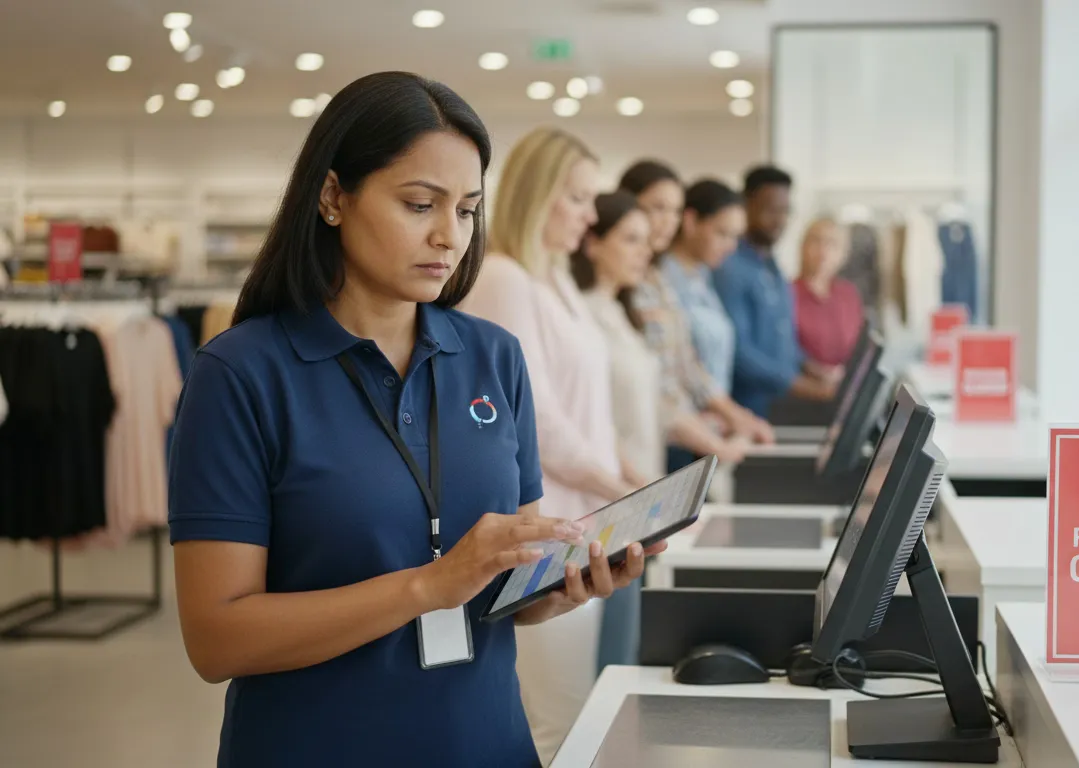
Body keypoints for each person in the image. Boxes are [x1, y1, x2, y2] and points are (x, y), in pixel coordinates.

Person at [167, 72, 662, 768]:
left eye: (466, 210)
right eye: (419, 204)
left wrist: (559, 588)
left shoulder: (494, 357)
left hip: (486, 743)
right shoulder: (242, 374)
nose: (448, 236)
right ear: (334, 196)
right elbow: (216, 638)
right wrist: (427, 585)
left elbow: (502, 589)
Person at [456, 126, 636, 765]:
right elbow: (538, 424)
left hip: (581, 517)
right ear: (540, 194)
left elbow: (587, 407)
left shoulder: (553, 278)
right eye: (579, 198)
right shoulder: (505, 278)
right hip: (551, 520)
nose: (591, 216)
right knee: (556, 720)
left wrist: (625, 479)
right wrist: (625, 491)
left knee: (572, 707)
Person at [619, 161, 772, 464]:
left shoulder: (658, 279)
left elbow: (686, 363)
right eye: (657, 208)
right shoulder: (633, 284)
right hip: (658, 437)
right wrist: (715, 440)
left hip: (681, 433)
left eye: (674, 211)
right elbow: (660, 383)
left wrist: (734, 416)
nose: (667, 222)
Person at [715, 165, 836, 418]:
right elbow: (739, 352)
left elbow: (783, 340)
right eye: (771, 210)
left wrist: (815, 370)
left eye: (785, 211)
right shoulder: (730, 267)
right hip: (745, 411)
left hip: (777, 406)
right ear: (747, 205)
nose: (780, 220)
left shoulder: (773, 266)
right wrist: (800, 385)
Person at [660, 179, 745, 420]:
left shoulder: (703, 277)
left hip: (711, 423)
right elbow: (680, 366)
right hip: (682, 427)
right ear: (691, 221)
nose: (731, 246)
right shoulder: (665, 280)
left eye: (735, 236)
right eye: (722, 233)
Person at [793, 216, 865, 379]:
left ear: (844, 254)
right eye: (816, 241)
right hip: (804, 386)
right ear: (802, 247)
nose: (823, 251)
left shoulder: (849, 294)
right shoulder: (786, 293)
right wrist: (819, 372)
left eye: (832, 244)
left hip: (846, 383)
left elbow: (859, 345)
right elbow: (786, 349)